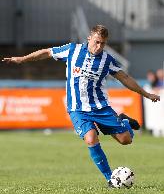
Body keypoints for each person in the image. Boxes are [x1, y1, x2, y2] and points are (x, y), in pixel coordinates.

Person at [2, 25, 160, 187]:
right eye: (97, 42)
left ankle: (124, 121)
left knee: (125, 140)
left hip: (100, 107)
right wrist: (22, 59)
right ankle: (109, 179)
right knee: (91, 138)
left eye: (103, 44)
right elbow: (47, 52)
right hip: (77, 109)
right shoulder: (73, 50)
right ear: (89, 38)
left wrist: (146, 94)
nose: (99, 47)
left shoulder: (107, 60)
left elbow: (125, 78)